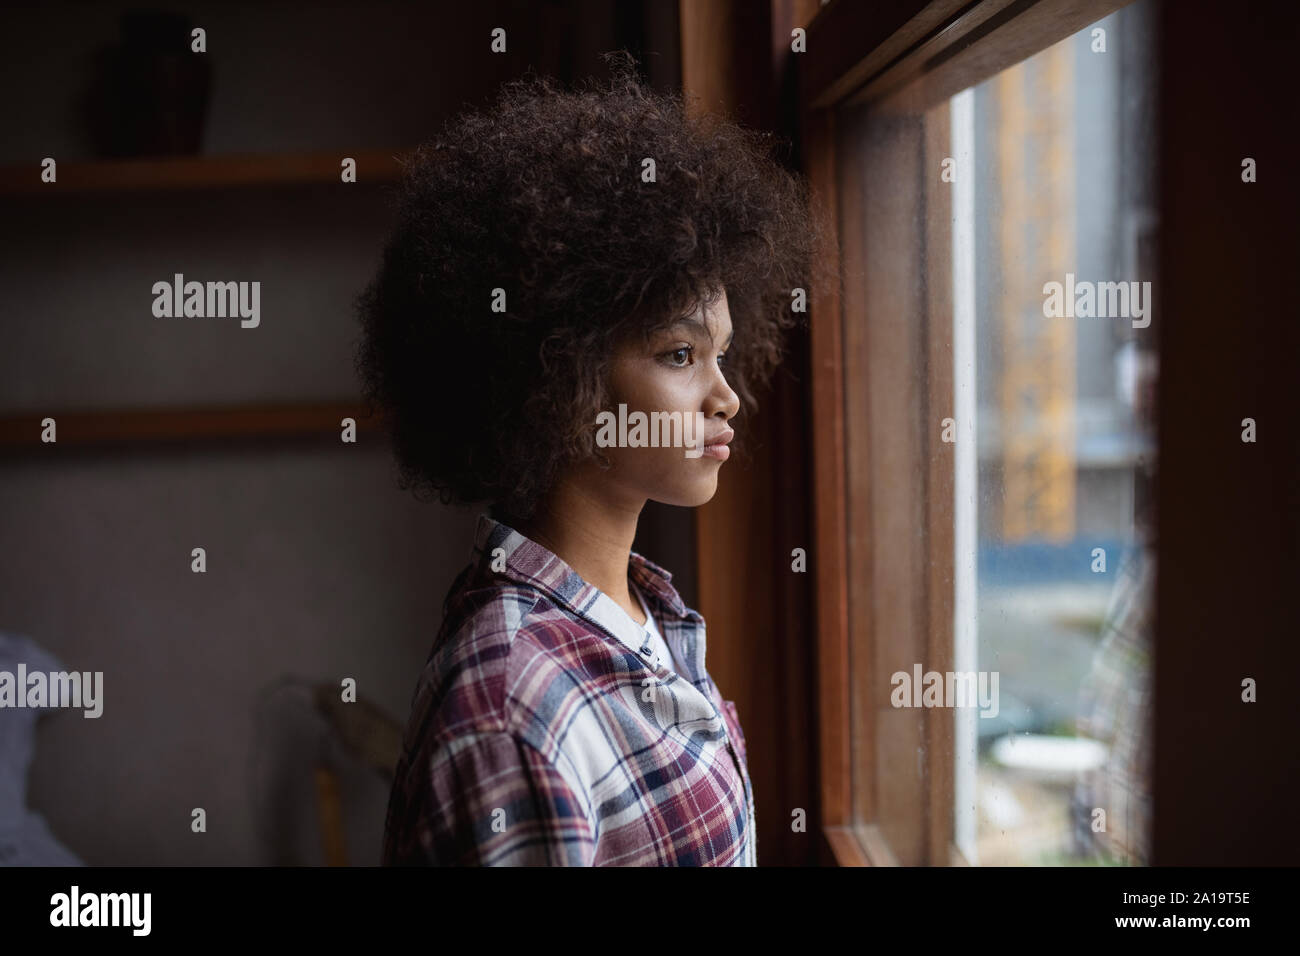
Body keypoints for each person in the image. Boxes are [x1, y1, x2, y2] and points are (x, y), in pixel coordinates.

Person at [354, 52, 820, 865]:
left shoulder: (640, 615)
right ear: (557, 377)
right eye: (679, 355)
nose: (727, 396)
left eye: (722, 355)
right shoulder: (513, 713)